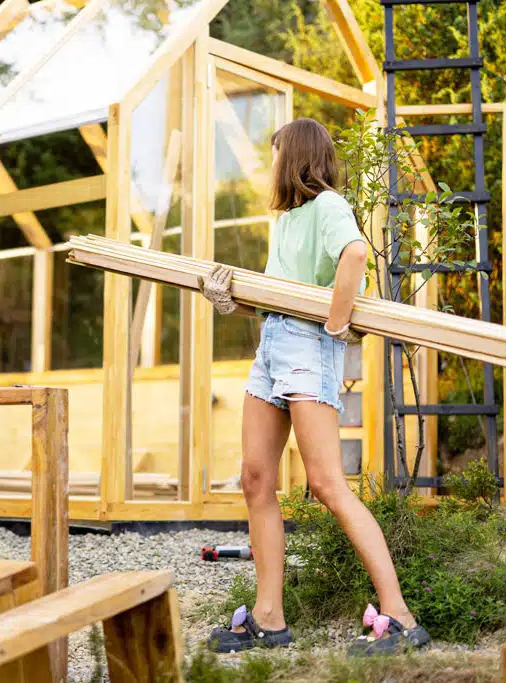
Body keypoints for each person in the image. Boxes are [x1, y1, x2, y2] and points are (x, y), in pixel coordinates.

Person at [199, 118, 430, 657]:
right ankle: (268, 618)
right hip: (273, 346)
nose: (271, 164)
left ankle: (399, 616)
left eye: (276, 153)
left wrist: (335, 323)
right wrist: (230, 299)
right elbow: (278, 292)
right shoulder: (286, 222)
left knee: (326, 484)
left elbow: (354, 255)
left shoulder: (328, 206)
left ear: (296, 156)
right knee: (255, 478)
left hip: (308, 350)